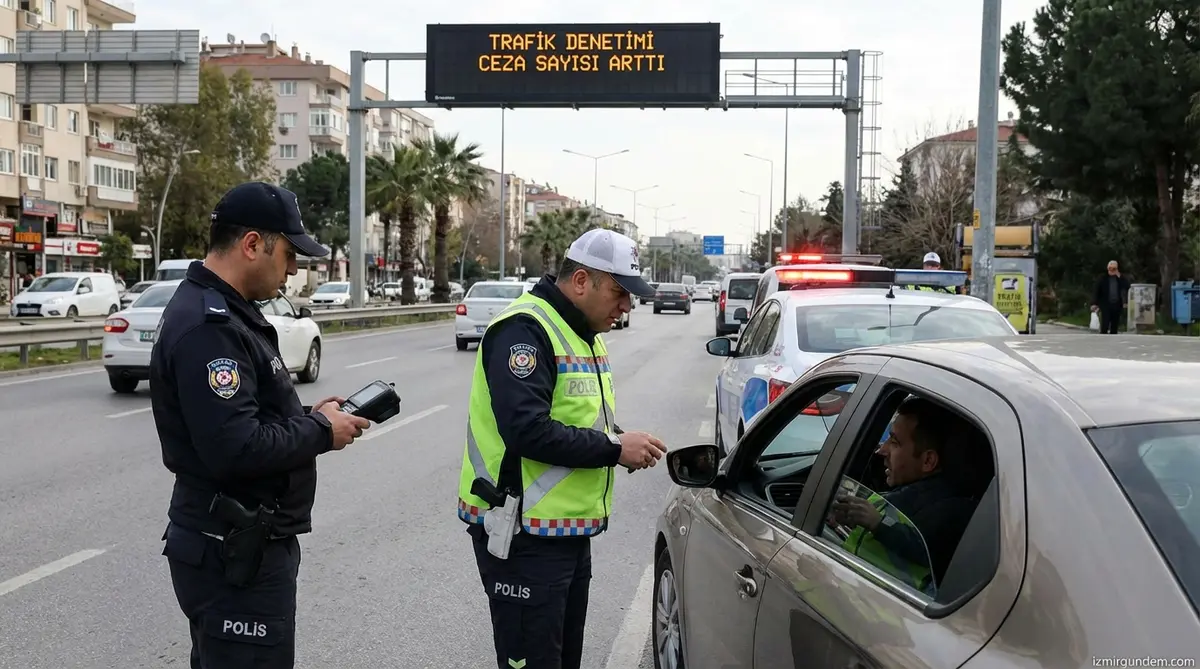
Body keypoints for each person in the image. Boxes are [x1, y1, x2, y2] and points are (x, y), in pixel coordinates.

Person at [151, 181, 371, 668]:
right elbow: (236, 447)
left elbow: (247, 418)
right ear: (253, 244)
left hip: (241, 543)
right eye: (289, 254)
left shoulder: (230, 313)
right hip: (231, 549)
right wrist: (320, 433)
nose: (293, 269)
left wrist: (310, 417)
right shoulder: (210, 329)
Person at [456, 227, 668, 669]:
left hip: (565, 533)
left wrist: (622, 442)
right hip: (521, 532)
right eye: (619, 292)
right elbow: (527, 430)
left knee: (561, 658)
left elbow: (577, 419)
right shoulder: (525, 330)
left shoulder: (584, 333)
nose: (628, 305)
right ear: (580, 281)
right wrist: (613, 449)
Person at [830, 397, 979, 588]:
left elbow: (921, 547)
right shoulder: (918, 497)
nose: (882, 450)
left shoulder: (949, 515)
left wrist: (878, 524)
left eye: (894, 442)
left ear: (927, 461)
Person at [1091, 260, 1130, 334]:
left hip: (1117, 304)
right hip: (1105, 303)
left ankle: (1113, 339)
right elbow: (1096, 291)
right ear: (1107, 268)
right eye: (1110, 268)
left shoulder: (1120, 278)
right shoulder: (1102, 278)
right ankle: (1103, 336)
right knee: (1105, 322)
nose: (1112, 270)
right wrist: (1094, 303)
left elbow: (1127, 286)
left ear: (1117, 269)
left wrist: (1120, 276)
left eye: (1114, 269)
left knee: (1115, 324)